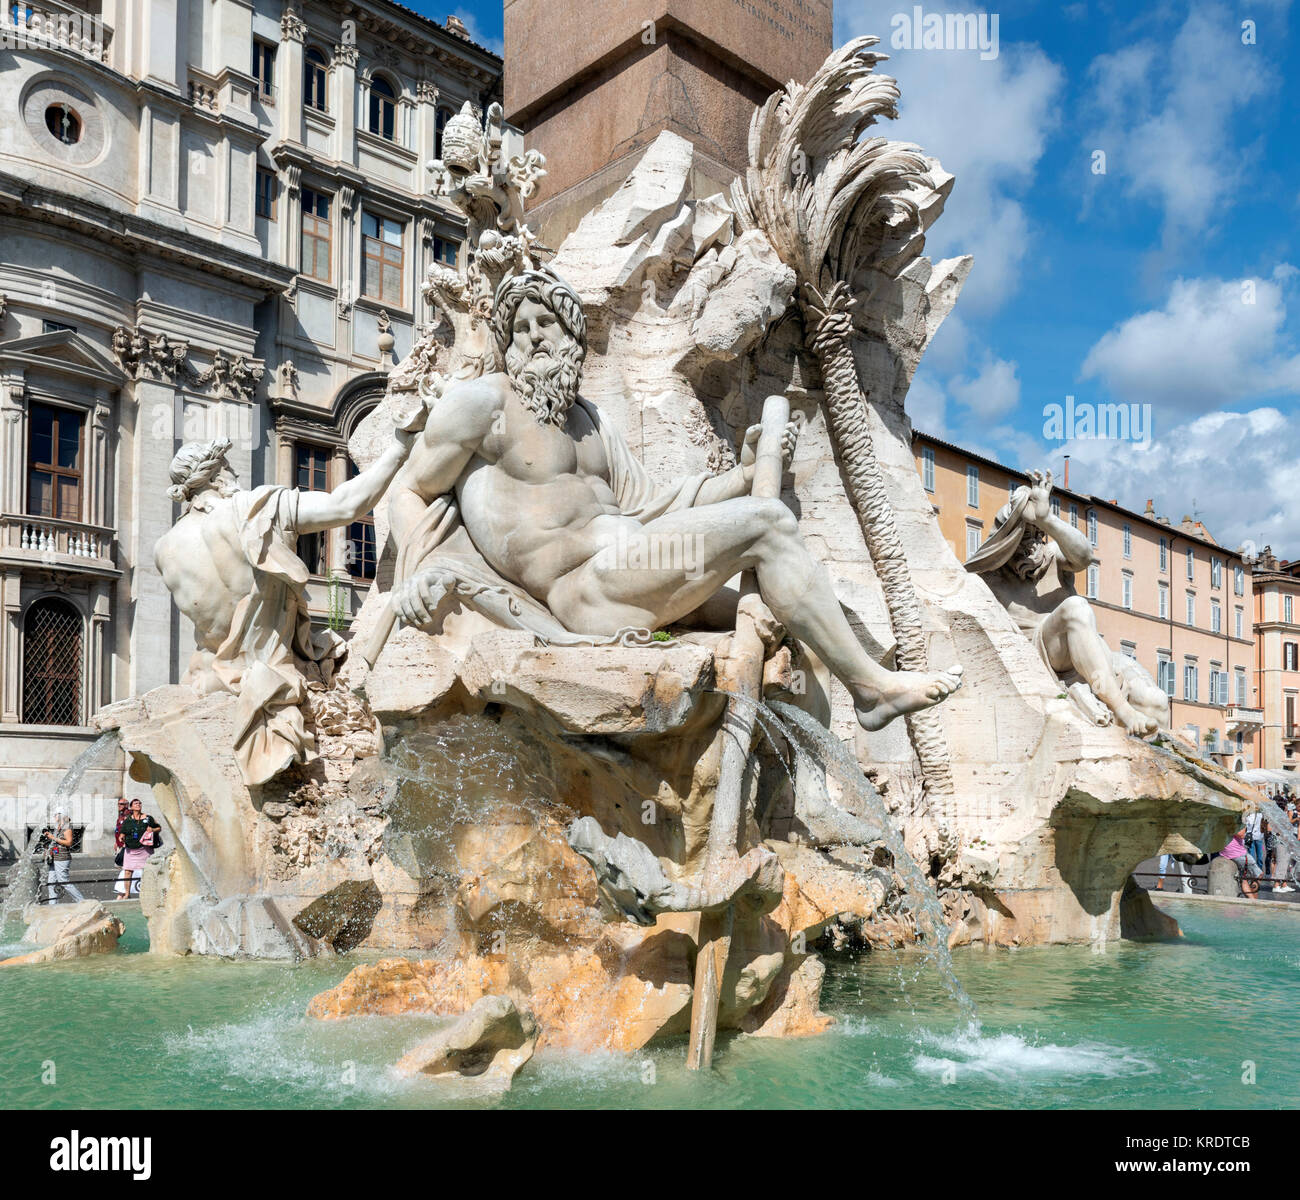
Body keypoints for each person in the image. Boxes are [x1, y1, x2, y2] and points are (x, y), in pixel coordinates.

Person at [388, 269, 963, 734]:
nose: (535, 336)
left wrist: (743, 473)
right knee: (766, 524)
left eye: (547, 324)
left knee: (788, 625)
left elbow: (660, 507)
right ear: (506, 342)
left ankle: (806, 795)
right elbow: (410, 489)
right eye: (521, 327)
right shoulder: (483, 404)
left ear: (571, 337)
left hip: (635, 565)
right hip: (583, 590)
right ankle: (873, 688)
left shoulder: (590, 421)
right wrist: (415, 574)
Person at [117, 800, 161, 898]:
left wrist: (153, 829)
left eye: (140, 803)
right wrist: (121, 837)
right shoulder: (127, 820)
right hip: (130, 850)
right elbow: (122, 832)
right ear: (131, 807)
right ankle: (127, 893)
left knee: (148, 870)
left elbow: (158, 828)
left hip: (144, 849)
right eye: (136, 803)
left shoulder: (148, 818)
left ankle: (150, 893)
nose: (138, 805)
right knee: (128, 872)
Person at [43, 809, 85, 905]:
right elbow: (57, 844)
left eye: (55, 815)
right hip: (55, 857)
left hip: (62, 858)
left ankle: (82, 901)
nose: (54, 817)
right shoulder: (58, 827)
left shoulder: (67, 827)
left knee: (63, 881)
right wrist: (50, 850)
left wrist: (53, 837)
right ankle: (52, 905)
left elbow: (69, 842)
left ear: (61, 815)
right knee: (51, 882)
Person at [1220, 827, 1260, 899]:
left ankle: (1251, 900)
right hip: (1238, 853)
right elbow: (1241, 834)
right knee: (1259, 875)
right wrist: (1244, 826)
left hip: (1227, 852)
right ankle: (1254, 900)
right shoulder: (1233, 820)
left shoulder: (1222, 820)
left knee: (1244, 879)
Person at [112, 799, 133, 898]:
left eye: (121, 804)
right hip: (120, 844)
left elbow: (130, 830)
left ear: (126, 805)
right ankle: (125, 892)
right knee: (121, 866)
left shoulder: (129, 815)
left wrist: (127, 842)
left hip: (126, 845)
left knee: (125, 868)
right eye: (118, 804)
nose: (119, 805)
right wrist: (116, 842)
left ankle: (124, 892)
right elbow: (118, 829)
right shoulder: (121, 815)